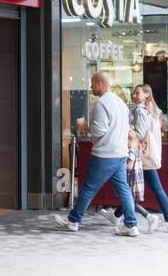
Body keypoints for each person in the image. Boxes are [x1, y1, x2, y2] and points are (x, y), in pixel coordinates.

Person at [56, 71, 138, 235]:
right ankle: (131, 225)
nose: (90, 86)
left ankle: (73, 221)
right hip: (120, 153)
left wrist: (84, 127)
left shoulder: (101, 104)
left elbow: (99, 131)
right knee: (123, 190)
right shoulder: (120, 102)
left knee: (88, 189)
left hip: (105, 154)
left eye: (92, 83)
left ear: (100, 84)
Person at [114, 83, 168, 232]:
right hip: (148, 154)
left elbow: (140, 134)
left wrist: (128, 133)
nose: (134, 96)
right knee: (133, 187)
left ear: (147, 94)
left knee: (137, 187)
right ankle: (116, 215)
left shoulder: (141, 111)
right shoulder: (153, 111)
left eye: (137, 93)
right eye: (134, 93)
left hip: (142, 156)